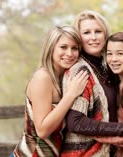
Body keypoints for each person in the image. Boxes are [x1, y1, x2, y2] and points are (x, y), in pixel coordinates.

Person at [60, 10, 123, 157]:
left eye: (98, 31)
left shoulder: (106, 68)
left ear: (105, 34)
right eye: (86, 32)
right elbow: (75, 122)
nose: (93, 37)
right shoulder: (80, 71)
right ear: (78, 38)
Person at [10, 25, 89, 157]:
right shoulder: (42, 78)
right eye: (63, 47)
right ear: (51, 48)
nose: (69, 53)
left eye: (74, 48)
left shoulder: (65, 78)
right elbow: (42, 131)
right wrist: (70, 95)